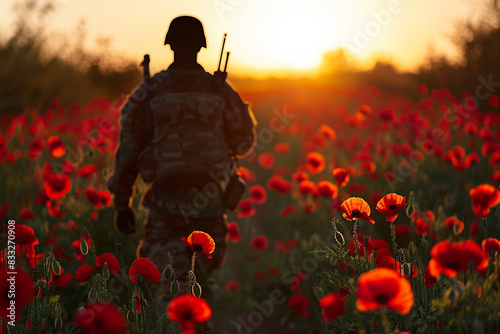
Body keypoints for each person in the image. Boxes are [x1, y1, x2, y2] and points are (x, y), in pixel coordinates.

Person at [107, 15, 256, 303]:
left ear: (169, 44)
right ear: (202, 46)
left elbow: (129, 151)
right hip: (209, 207)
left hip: (165, 208)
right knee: (200, 286)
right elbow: (245, 142)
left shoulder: (151, 91)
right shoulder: (219, 89)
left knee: (169, 289)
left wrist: (122, 203)